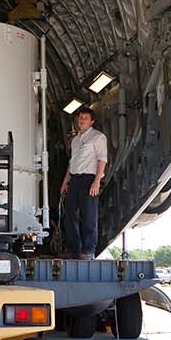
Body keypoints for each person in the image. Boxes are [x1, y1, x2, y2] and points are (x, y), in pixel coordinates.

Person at [61, 107, 108, 259]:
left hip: (89, 179)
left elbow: (102, 159)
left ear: (92, 121)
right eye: (80, 117)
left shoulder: (98, 137)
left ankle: (88, 250)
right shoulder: (75, 140)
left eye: (85, 118)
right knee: (70, 214)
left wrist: (96, 182)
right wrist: (65, 182)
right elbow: (71, 163)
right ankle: (73, 248)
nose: (81, 120)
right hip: (74, 179)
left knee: (89, 215)